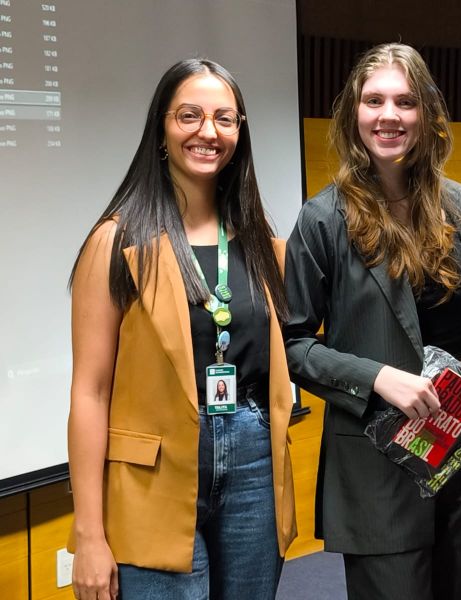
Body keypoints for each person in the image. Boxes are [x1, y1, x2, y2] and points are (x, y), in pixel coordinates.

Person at [283, 43, 461, 599]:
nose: (389, 115)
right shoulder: (322, 219)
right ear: (352, 113)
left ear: (427, 114)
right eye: (374, 100)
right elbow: (292, 345)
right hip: (378, 451)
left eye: (405, 101)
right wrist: (378, 377)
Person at [67, 58, 297, 600]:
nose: (208, 132)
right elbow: (90, 391)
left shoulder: (259, 240)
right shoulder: (116, 242)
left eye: (225, 118)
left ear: (240, 131)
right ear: (162, 129)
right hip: (152, 471)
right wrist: (88, 534)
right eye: (189, 115)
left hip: (251, 459)